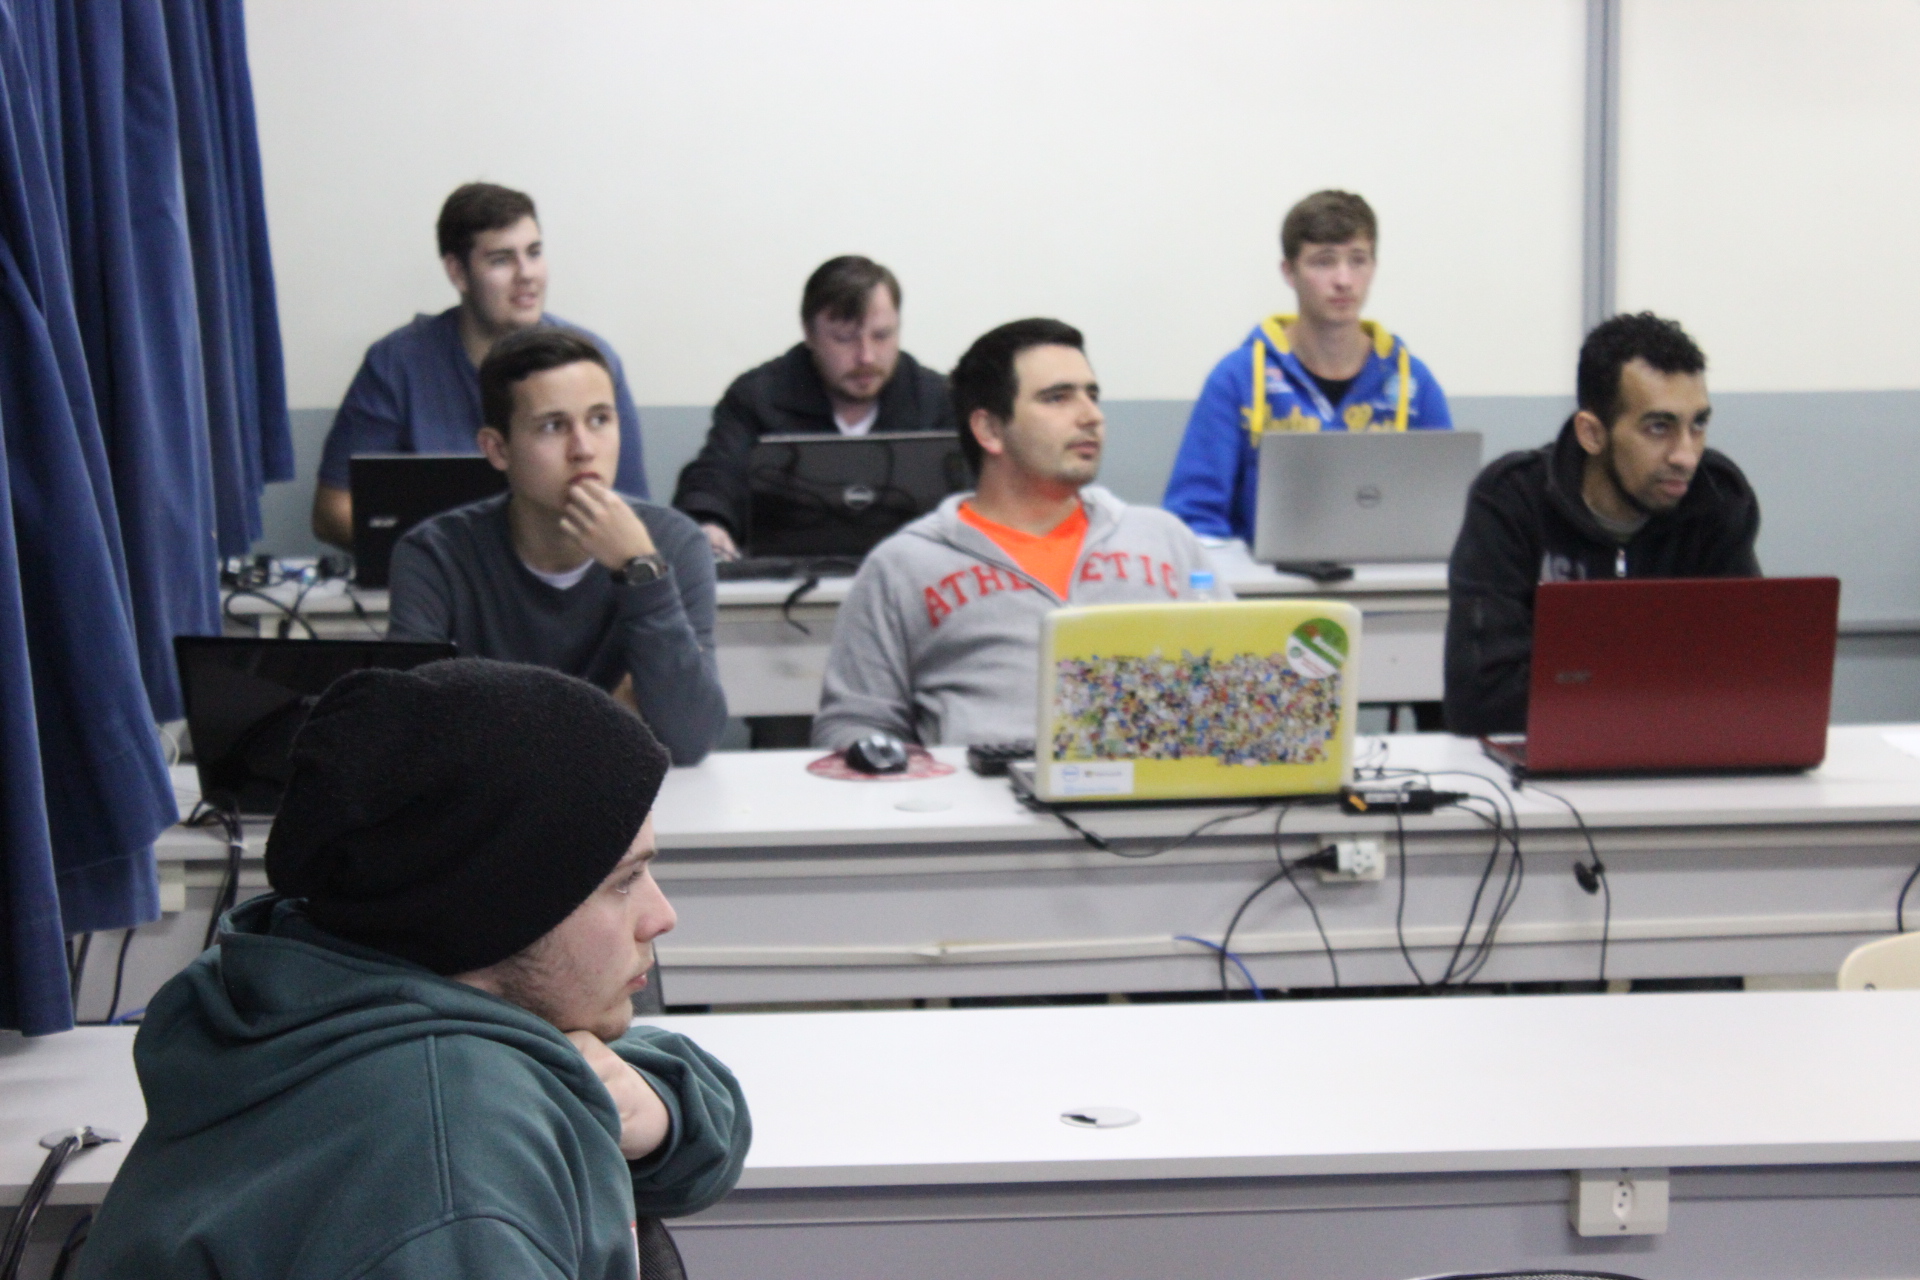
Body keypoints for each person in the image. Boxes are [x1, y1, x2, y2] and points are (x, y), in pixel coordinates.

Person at [75, 659, 750, 1279]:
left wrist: (657, 1111)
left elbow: (689, 1103)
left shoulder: (314, 1003)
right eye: (624, 881)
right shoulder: (452, 1169)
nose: (662, 916)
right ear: (491, 908)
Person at [814, 318, 1221, 749]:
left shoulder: (1163, 539)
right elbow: (850, 725)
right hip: (983, 786)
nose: (1091, 416)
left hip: (1157, 783)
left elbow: (1240, 687)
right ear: (989, 430)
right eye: (1057, 398)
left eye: (1092, 395)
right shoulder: (904, 565)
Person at [386, 328, 726, 765]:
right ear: (497, 449)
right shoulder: (434, 555)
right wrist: (612, 715)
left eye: (600, 420)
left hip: (630, 798)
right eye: (553, 426)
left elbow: (691, 737)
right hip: (491, 801)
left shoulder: (674, 545)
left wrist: (639, 569)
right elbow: (412, 735)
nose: (583, 449)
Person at [1443, 312, 1761, 735]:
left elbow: (1750, 681)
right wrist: (1664, 690)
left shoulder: (1718, 498)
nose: (1686, 456)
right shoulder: (1511, 500)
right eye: (1658, 427)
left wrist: (1592, 686)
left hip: (1679, 752)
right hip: (1553, 761)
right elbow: (1480, 700)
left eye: (1698, 424)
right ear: (1592, 434)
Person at [312, 182, 648, 549]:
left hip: (566, 571)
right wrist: (438, 563)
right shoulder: (396, 364)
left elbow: (632, 511)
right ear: (458, 272)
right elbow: (333, 511)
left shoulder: (591, 362)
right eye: (501, 259)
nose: (526, 274)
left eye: (534, 253)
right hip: (434, 572)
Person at [1163, 190, 1452, 542]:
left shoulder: (1412, 382)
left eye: (1358, 260)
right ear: (1289, 272)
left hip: (1387, 571)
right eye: (1324, 262)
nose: (1344, 280)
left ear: (1373, 267)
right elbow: (1193, 519)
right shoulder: (1238, 378)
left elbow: (1447, 511)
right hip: (1263, 576)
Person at [672, 255, 953, 560]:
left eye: (882, 336)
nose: (866, 356)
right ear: (809, 334)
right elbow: (717, 474)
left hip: (915, 574)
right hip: (784, 576)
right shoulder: (758, 397)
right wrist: (710, 524)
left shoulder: (938, 399)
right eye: (844, 339)